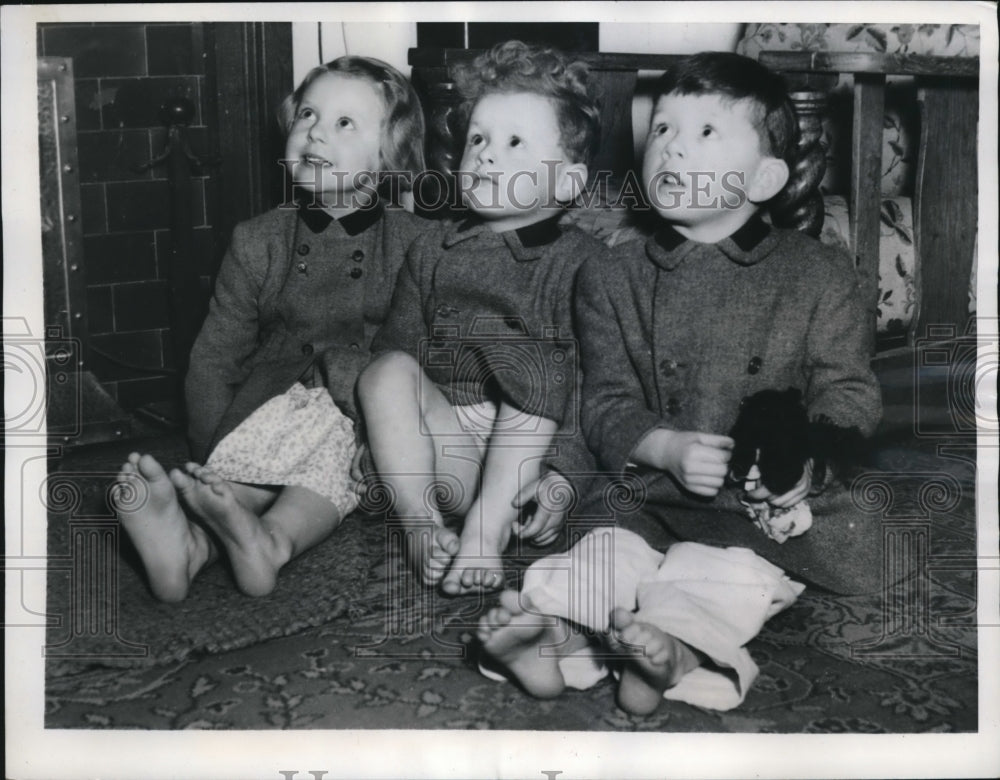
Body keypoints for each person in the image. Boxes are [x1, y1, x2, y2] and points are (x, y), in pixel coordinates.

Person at [478, 51, 883, 713]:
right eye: (662, 130)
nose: (672, 149)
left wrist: (795, 463)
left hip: (748, 509)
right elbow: (600, 396)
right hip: (646, 489)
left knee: (725, 578)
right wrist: (658, 446)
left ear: (765, 176)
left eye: (704, 134)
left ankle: (669, 654)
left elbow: (851, 393)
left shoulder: (820, 276)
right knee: (602, 550)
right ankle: (553, 636)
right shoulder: (613, 274)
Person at [114, 56, 430, 601]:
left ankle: (274, 542)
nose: (315, 132)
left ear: (389, 156)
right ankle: (191, 542)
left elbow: (414, 354)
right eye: (308, 114)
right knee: (239, 472)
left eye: (344, 123)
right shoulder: (259, 239)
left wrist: (384, 441)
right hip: (272, 399)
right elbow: (216, 353)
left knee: (323, 471)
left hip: (353, 412)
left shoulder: (412, 244)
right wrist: (212, 446)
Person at [357, 40, 605, 596]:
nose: (487, 155)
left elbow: (598, 387)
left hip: (528, 457)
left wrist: (566, 476)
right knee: (385, 368)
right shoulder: (431, 249)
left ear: (568, 182)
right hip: (447, 450)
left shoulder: (584, 263)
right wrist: (374, 435)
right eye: (477, 139)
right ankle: (420, 527)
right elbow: (399, 352)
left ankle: (483, 538)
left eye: (515, 143)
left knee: (536, 366)